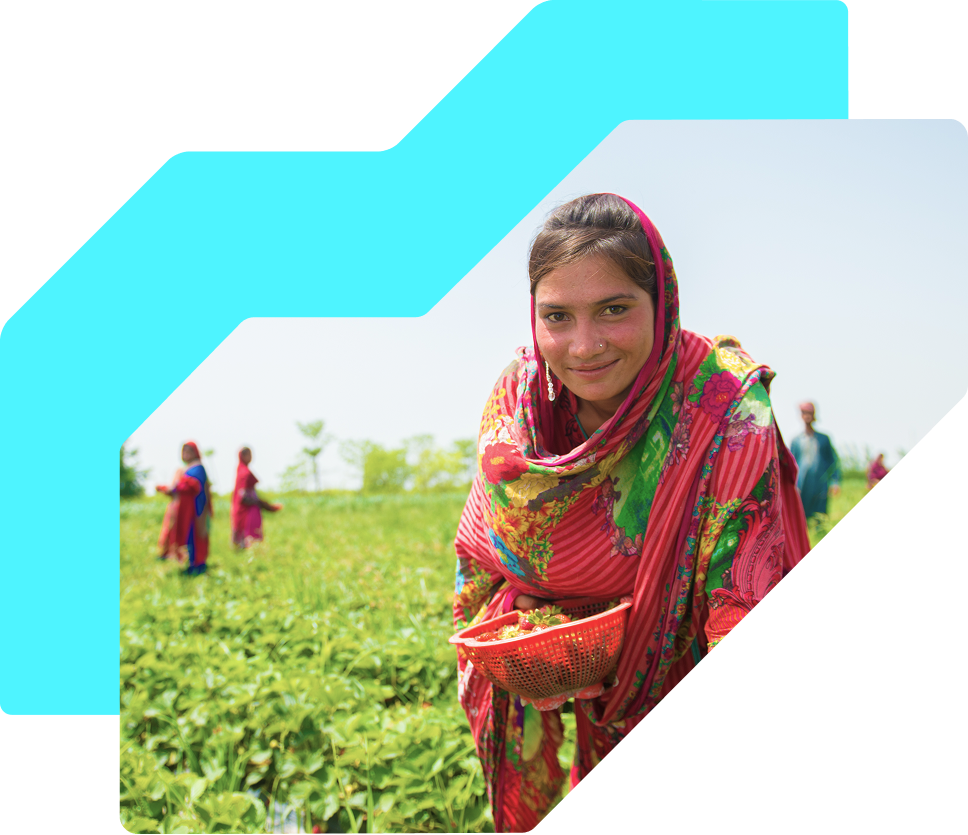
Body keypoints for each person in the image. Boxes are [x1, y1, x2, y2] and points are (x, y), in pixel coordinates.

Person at [453, 194, 812, 834]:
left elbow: (744, 606)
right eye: (557, 316)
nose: (584, 346)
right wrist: (529, 632)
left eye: (614, 310)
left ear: (662, 303)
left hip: (700, 691)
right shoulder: (520, 404)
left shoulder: (722, 406)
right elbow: (485, 559)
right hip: (590, 697)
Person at [157, 441, 214, 576]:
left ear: (195, 453)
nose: (186, 454)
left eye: (189, 451)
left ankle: (198, 563)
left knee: (195, 534)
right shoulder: (183, 469)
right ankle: (186, 561)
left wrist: (176, 487)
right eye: (184, 451)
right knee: (183, 534)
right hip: (183, 509)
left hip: (195, 508)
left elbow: (195, 488)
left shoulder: (198, 468)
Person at [789, 401, 841, 520]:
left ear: (814, 415)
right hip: (802, 483)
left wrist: (835, 482)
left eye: (809, 413)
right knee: (801, 515)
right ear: (801, 415)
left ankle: (821, 537)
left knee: (820, 515)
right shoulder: (796, 441)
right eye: (804, 412)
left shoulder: (824, 439)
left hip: (820, 483)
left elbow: (833, 462)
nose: (807, 416)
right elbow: (791, 465)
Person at [231, 447, 282, 548]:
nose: (251, 457)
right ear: (243, 456)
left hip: (244, 507)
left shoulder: (241, 470)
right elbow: (243, 496)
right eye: (249, 454)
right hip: (247, 510)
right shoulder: (244, 472)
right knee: (249, 538)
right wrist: (261, 503)